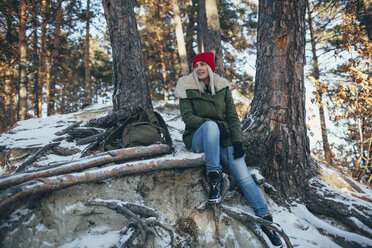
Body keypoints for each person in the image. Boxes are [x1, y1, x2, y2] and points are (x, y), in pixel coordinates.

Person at [174, 52, 283, 247]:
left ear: (210, 67)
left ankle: (266, 221)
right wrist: (214, 125)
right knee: (211, 127)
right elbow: (188, 117)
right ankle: (214, 179)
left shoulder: (222, 87)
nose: (198, 68)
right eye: (196, 65)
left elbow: (232, 117)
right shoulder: (186, 86)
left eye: (202, 64)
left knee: (243, 175)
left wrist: (237, 141)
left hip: (224, 138)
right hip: (199, 136)